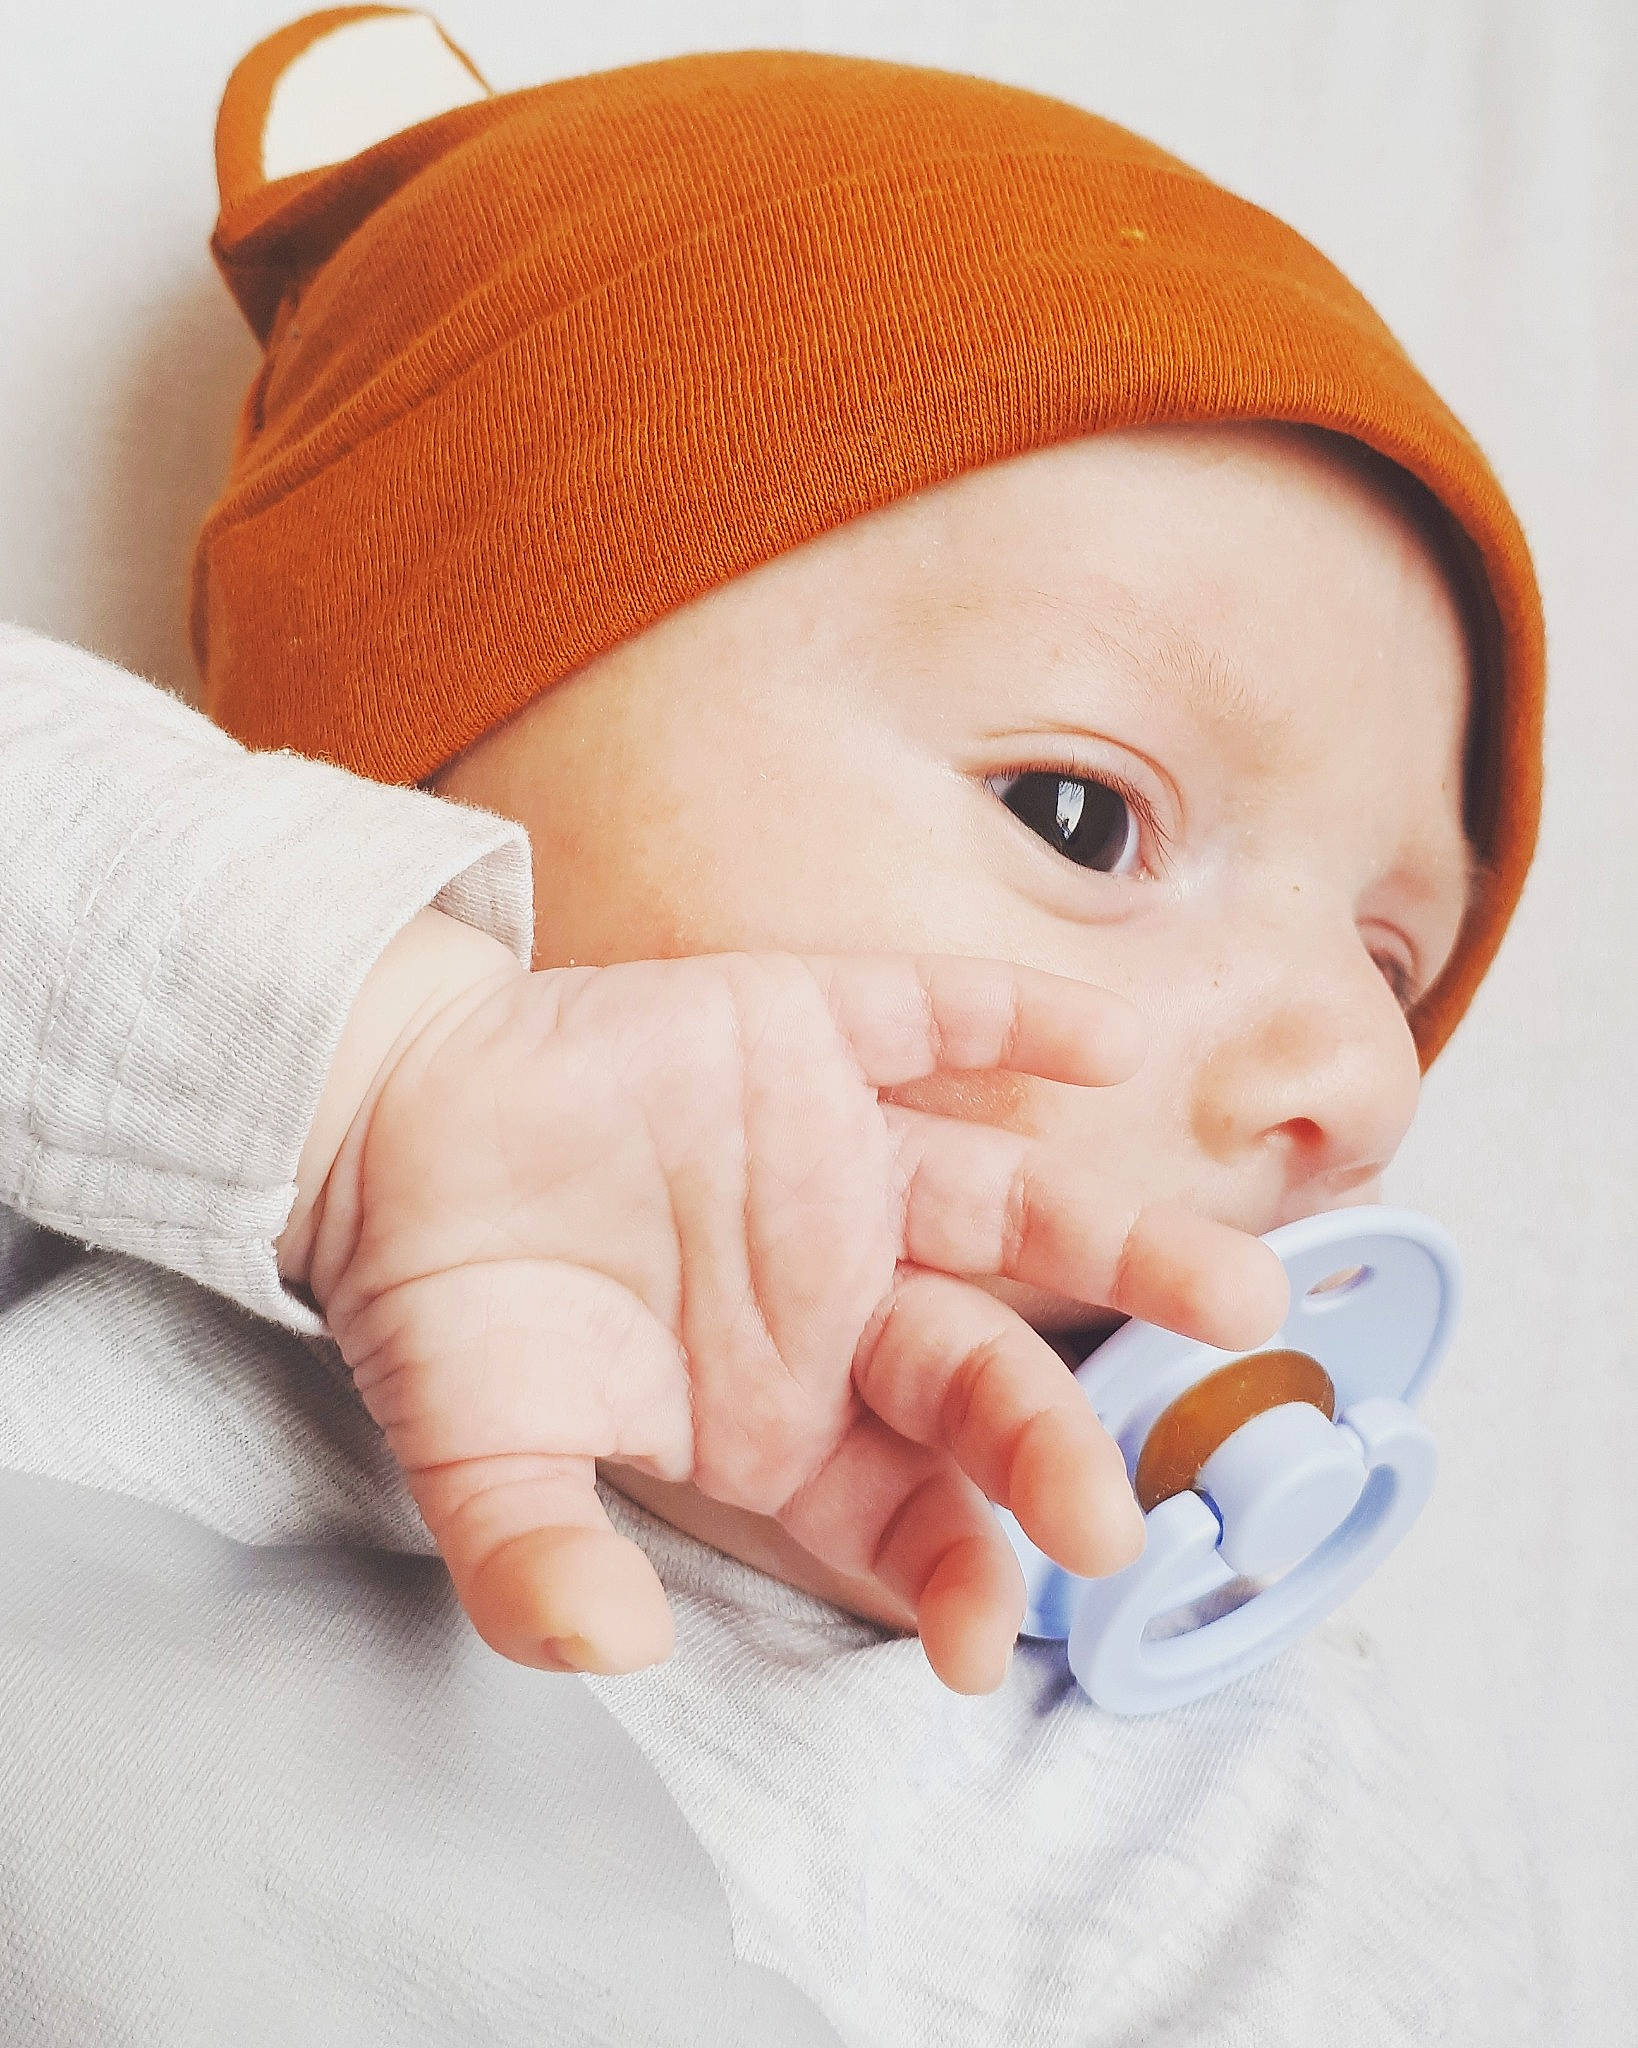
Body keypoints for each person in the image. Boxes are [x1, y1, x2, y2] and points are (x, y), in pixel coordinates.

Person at [0, 8, 1546, 2043]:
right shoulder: (126, 1108)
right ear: (403, 788)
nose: (1358, 1083)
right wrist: (379, 1064)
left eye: (1396, 962)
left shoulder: (1220, 1804)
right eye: (1082, 816)